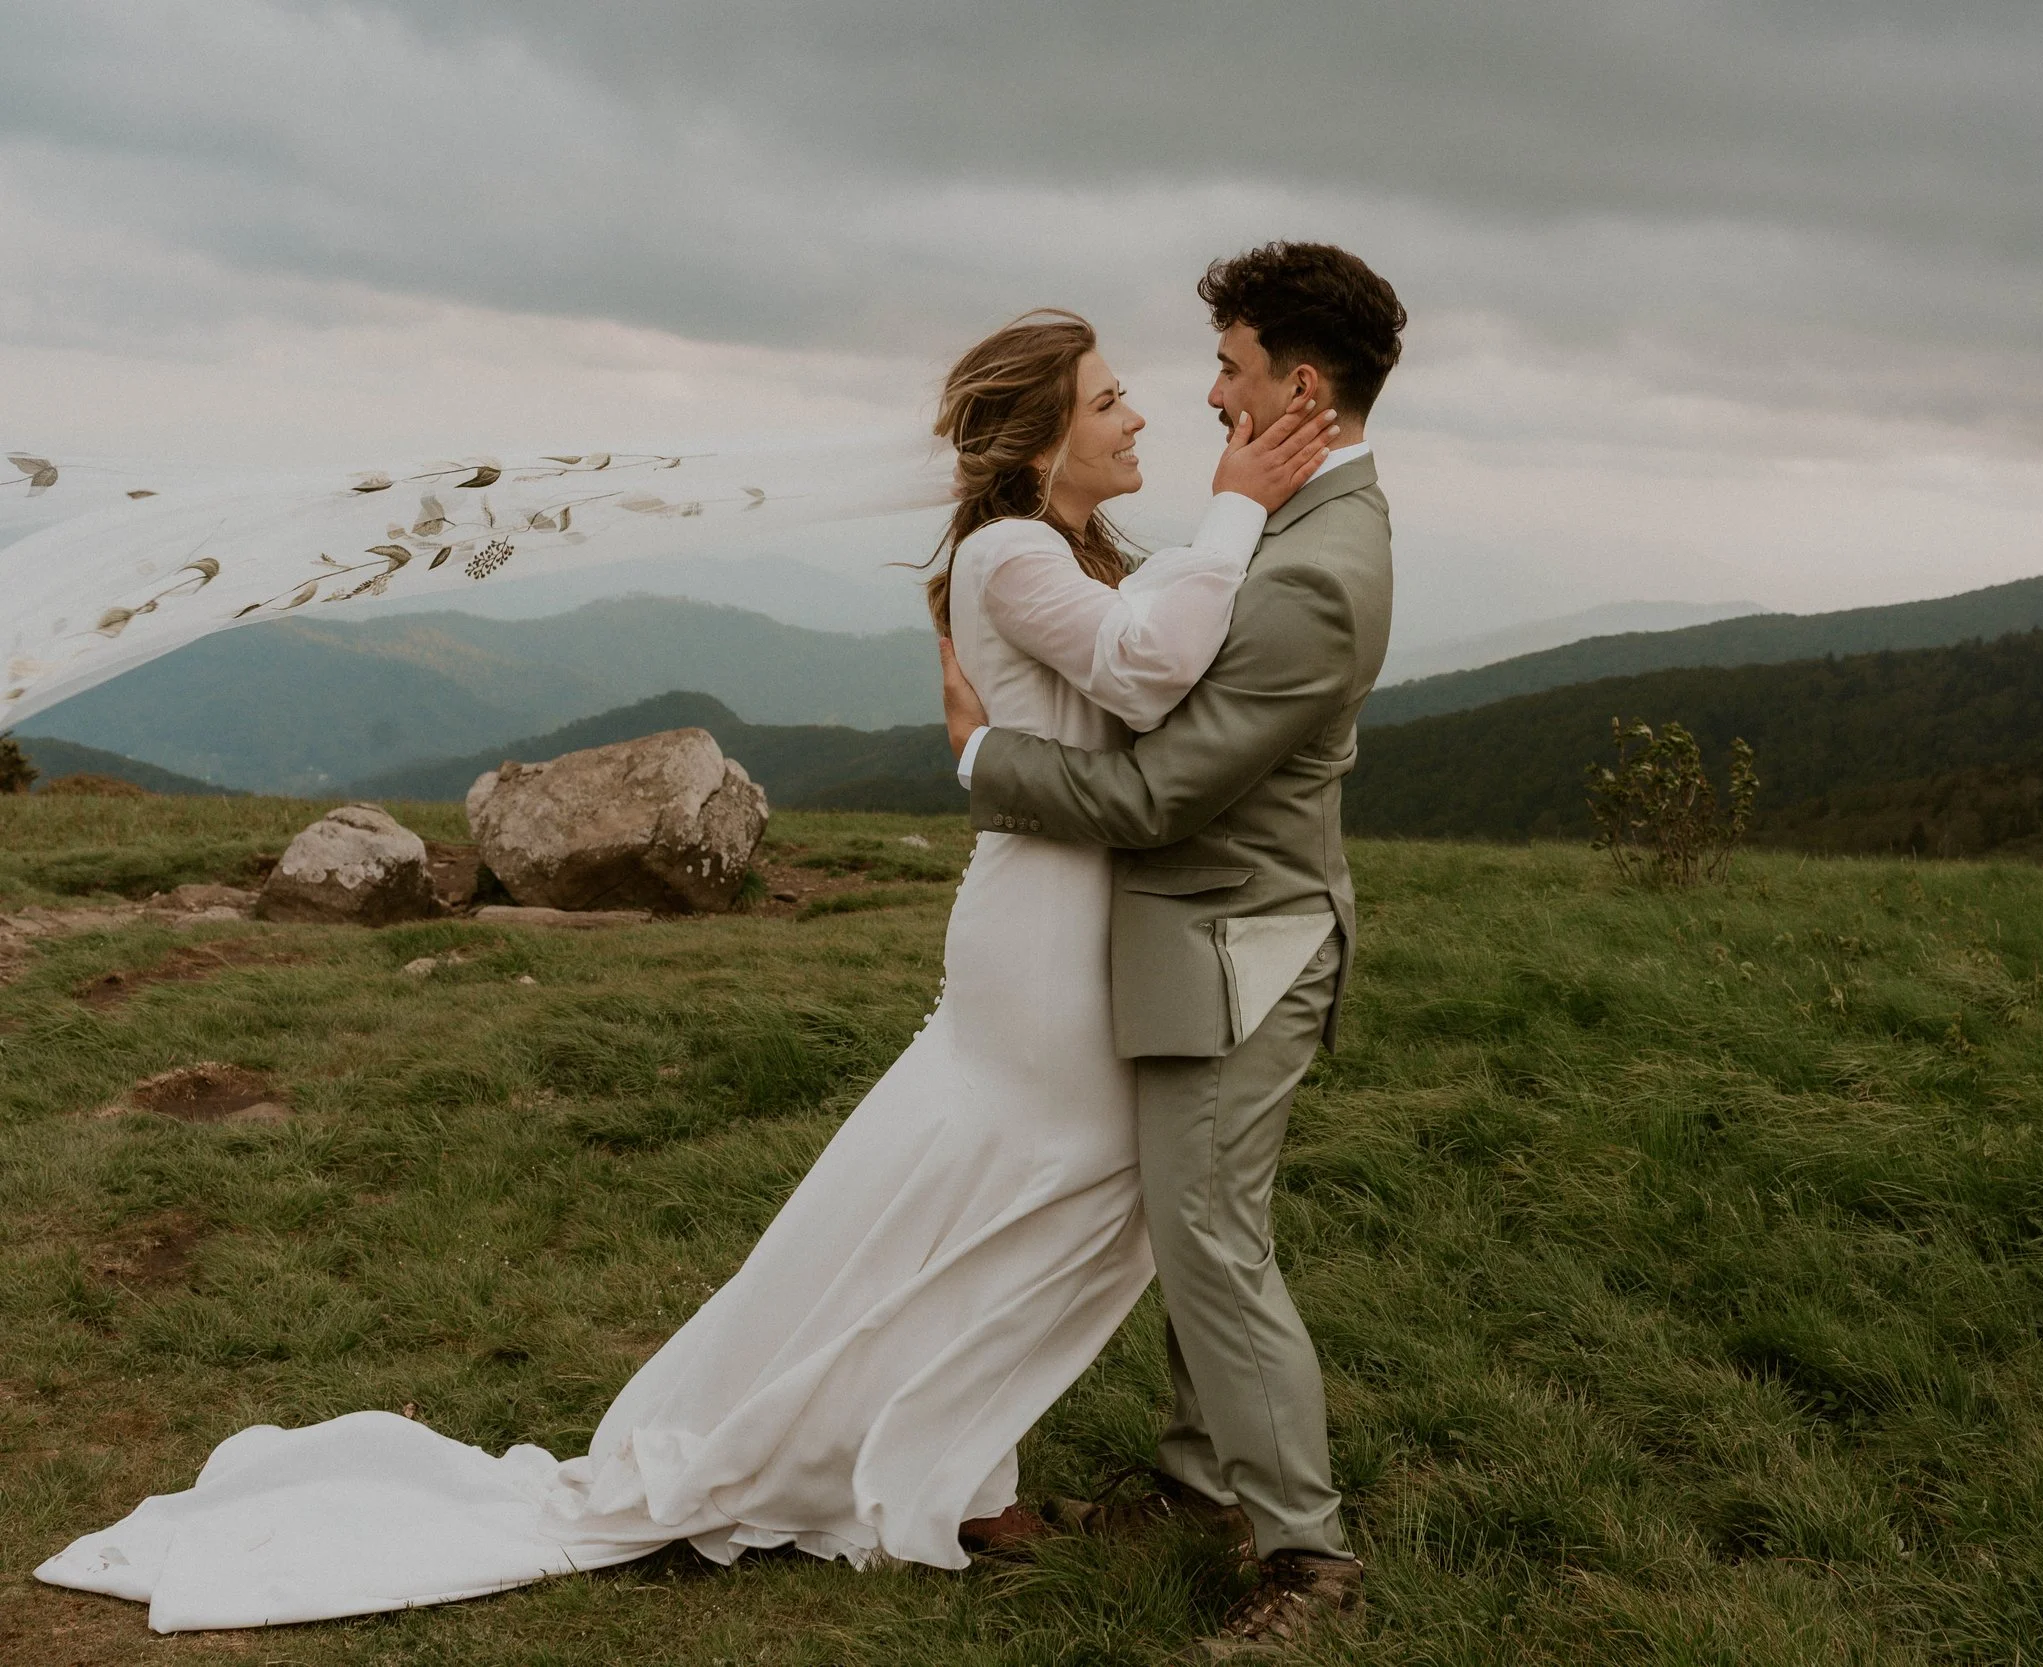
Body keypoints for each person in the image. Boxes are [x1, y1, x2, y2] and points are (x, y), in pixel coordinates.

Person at [35, 301, 1342, 1636]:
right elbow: (1151, 666)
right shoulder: (1012, 549)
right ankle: (885, 1448)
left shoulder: (1055, 544)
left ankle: (943, 1456)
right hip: (1046, 937)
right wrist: (1236, 511)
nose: (1139, 418)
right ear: (1040, 434)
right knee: (1042, 1190)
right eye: (1111, 397)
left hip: (1076, 911)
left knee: (1002, 1197)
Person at [944, 240, 1403, 1654]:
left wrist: (985, 760)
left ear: (1299, 386)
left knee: (1209, 1235)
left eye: (1229, 367)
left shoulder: (1315, 570)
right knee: (1203, 1229)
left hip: (1238, 943)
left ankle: (1308, 1561)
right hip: (1209, 932)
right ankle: (1201, 1490)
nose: (1209, 394)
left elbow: (1154, 794)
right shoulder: (1284, 523)